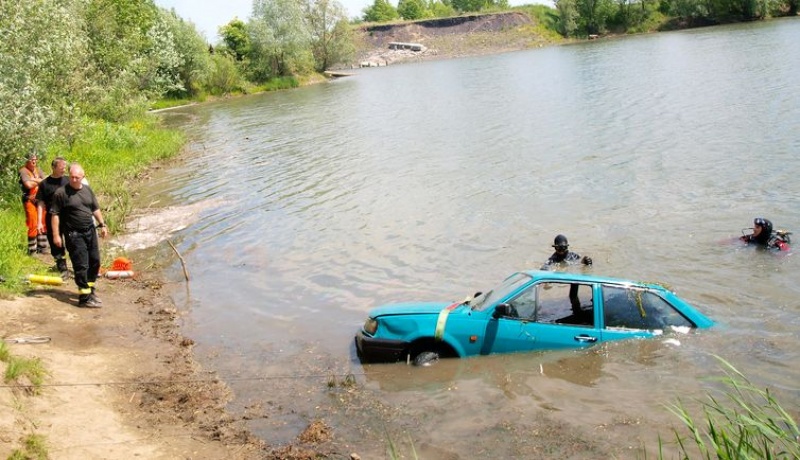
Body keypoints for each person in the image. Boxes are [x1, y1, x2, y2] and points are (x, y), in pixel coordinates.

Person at [51, 164, 109, 308]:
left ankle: (90, 290)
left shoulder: (87, 190)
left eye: (77, 177)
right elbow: (54, 215)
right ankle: (84, 298)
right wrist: (56, 235)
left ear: (83, 177)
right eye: (72, 177)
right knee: (81, 265)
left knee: (95, 261)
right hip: (74, 235)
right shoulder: (61, 193)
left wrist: (102, 224)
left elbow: (95, 208)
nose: (74, 180)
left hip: (90, 231)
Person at [36, 157, 70, 275]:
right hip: (51, 216)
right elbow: (40, 203)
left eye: (65, 167)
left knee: (73, 240)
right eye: (61, 168)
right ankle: (62, 267)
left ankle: (79, 265)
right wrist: (39, 221)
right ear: (53, 167)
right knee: (55, 242)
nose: (64, 170)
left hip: (68, 216)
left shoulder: (68, 180)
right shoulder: (45, 184)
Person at [18, 151, 47, 255]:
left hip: (40, 200)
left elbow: (46, 181)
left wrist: (34, 179)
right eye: (32, 160)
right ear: (27, 161)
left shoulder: (38, 170)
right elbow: (28, 185)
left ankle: (42, 247)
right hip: (29, 200)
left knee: (43, 221)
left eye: (35, 159)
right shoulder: (23, 171)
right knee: (33, 223)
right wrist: (39, 180)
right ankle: (32, 250)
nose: (34, 162)